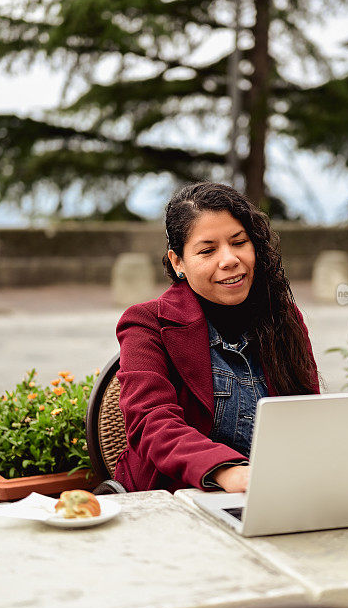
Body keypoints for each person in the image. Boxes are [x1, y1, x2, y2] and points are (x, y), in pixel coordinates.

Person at [114, 182, 320, 494]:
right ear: (178, 262)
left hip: (275, 493)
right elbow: (151, 423)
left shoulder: (284, 316)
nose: (229, 259)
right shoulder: (146, 323)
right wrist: (227, 472)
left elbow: (308, 414)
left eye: (239, 243)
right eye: (208, 250)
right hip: (175, 500)